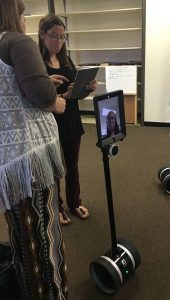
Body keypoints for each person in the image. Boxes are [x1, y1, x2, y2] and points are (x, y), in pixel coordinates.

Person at [0, 1, 68, 299]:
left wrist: (43, 82)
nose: (25, 19)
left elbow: (14, 88)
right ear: (14, 13)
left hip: (9, 162)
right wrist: (55, 101)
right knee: (43, 236)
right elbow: (41, 95)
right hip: (32, 161)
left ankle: (30, 290)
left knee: (22, 235)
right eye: (23, 13)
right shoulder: (18, 41)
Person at [38, 14, 98, 225]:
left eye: (63, 37)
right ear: (42, 34)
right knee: (54, 169)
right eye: (54, 36)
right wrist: (61, 96)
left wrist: (86, 89)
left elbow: (75, 93)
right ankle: (58, 208)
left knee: (73, 166)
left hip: (72, 118)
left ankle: (74, 203)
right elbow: (38, 99)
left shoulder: (66, 59)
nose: (59, 42)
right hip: (50, 123)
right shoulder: (36, 63)